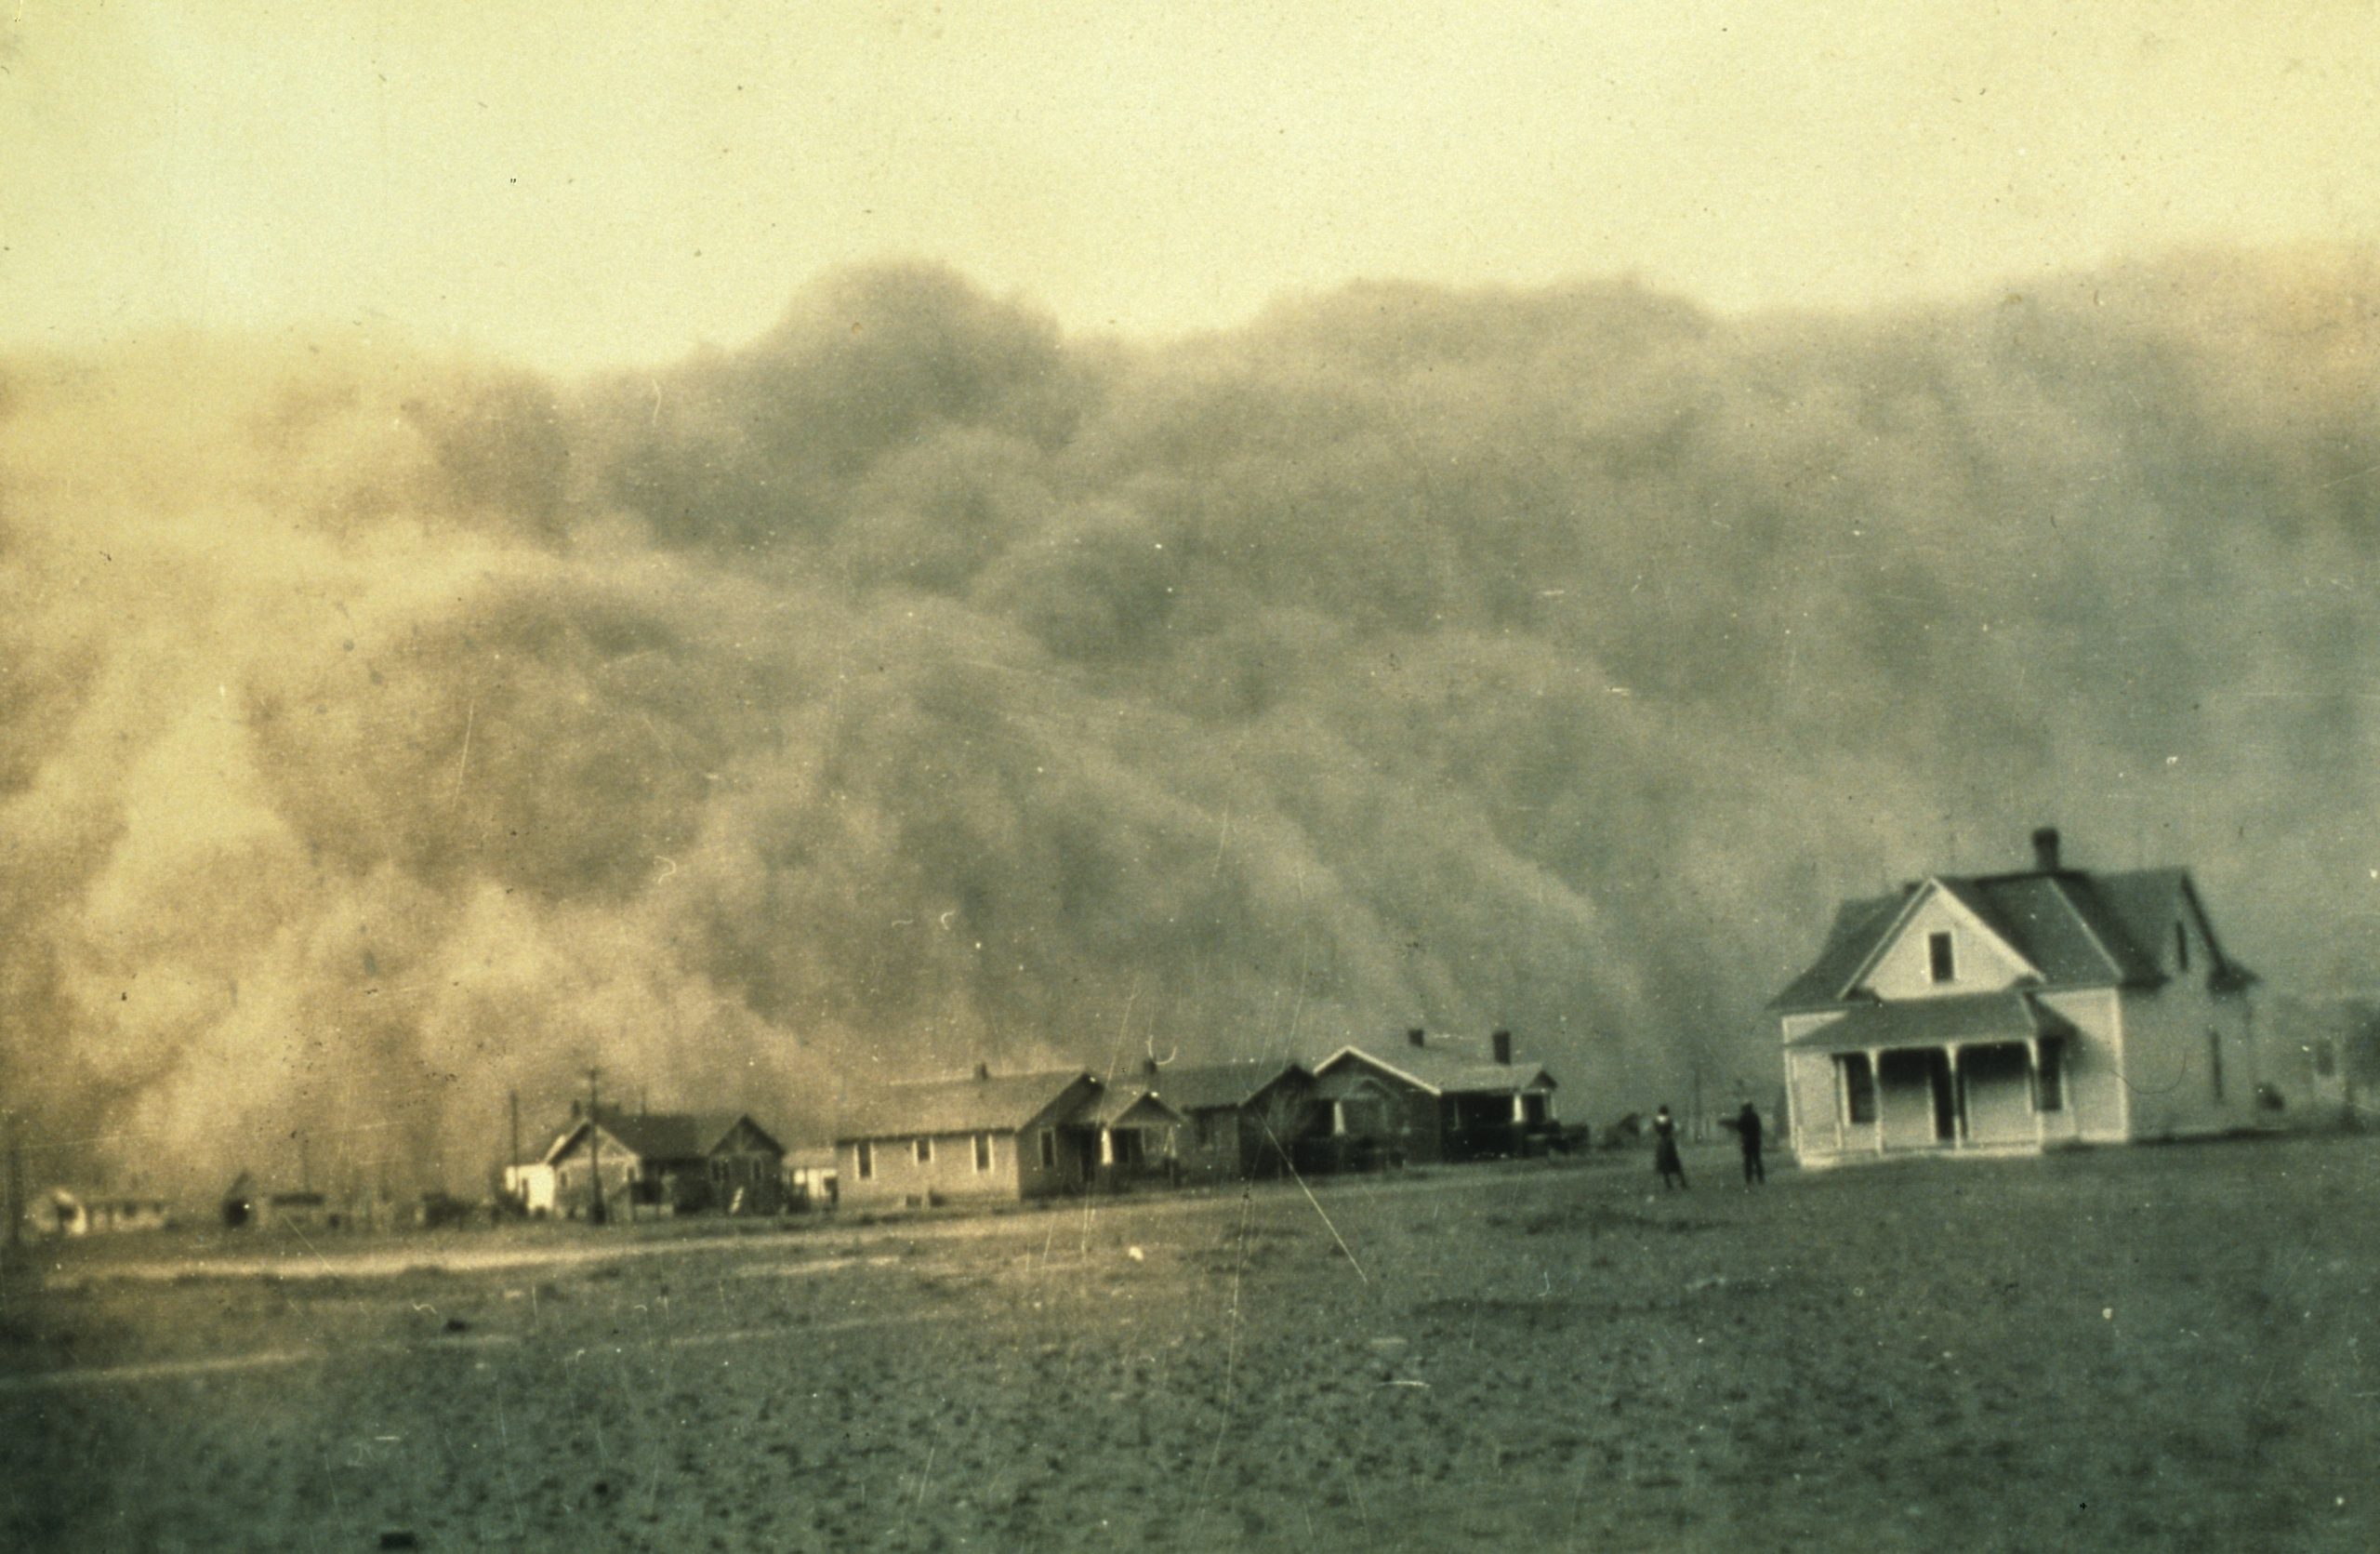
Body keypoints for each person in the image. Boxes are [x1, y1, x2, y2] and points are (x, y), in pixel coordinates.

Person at [1728, 1100, 1766, 1186]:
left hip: (1747, 1141)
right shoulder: (1755, 1116)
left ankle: (1749, 1179)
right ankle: (1761, 1179)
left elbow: (1739, 1128)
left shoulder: (1743, 1117)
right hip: (1756, 1141)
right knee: (1757, 1160)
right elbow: (1759, 1128)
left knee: (1747, 1161)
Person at [1652, 1105, 1686, 1189]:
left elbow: (1655, 1130)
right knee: (1675, 1163)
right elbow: (1676, 1129)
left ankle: (1668, 1184)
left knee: (1664, 1163)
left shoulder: (1656, 1121)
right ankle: (1682, 1182)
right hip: (1669, 1142)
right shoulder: (1669, 1120)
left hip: (1661, 1142)